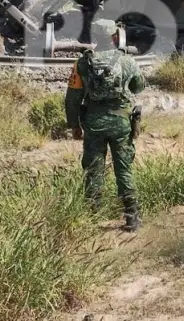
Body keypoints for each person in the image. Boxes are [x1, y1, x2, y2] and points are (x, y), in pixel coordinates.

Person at [65, 19, 147, 232]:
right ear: (115, 36)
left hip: (93, 124)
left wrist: (74, 124)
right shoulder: (127, 61)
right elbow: (138, 87)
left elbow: (73, 98)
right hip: (121, 123)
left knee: (93, 169)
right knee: (124, 168)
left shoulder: (83, 63)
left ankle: (93, 216)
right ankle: (132, 216)